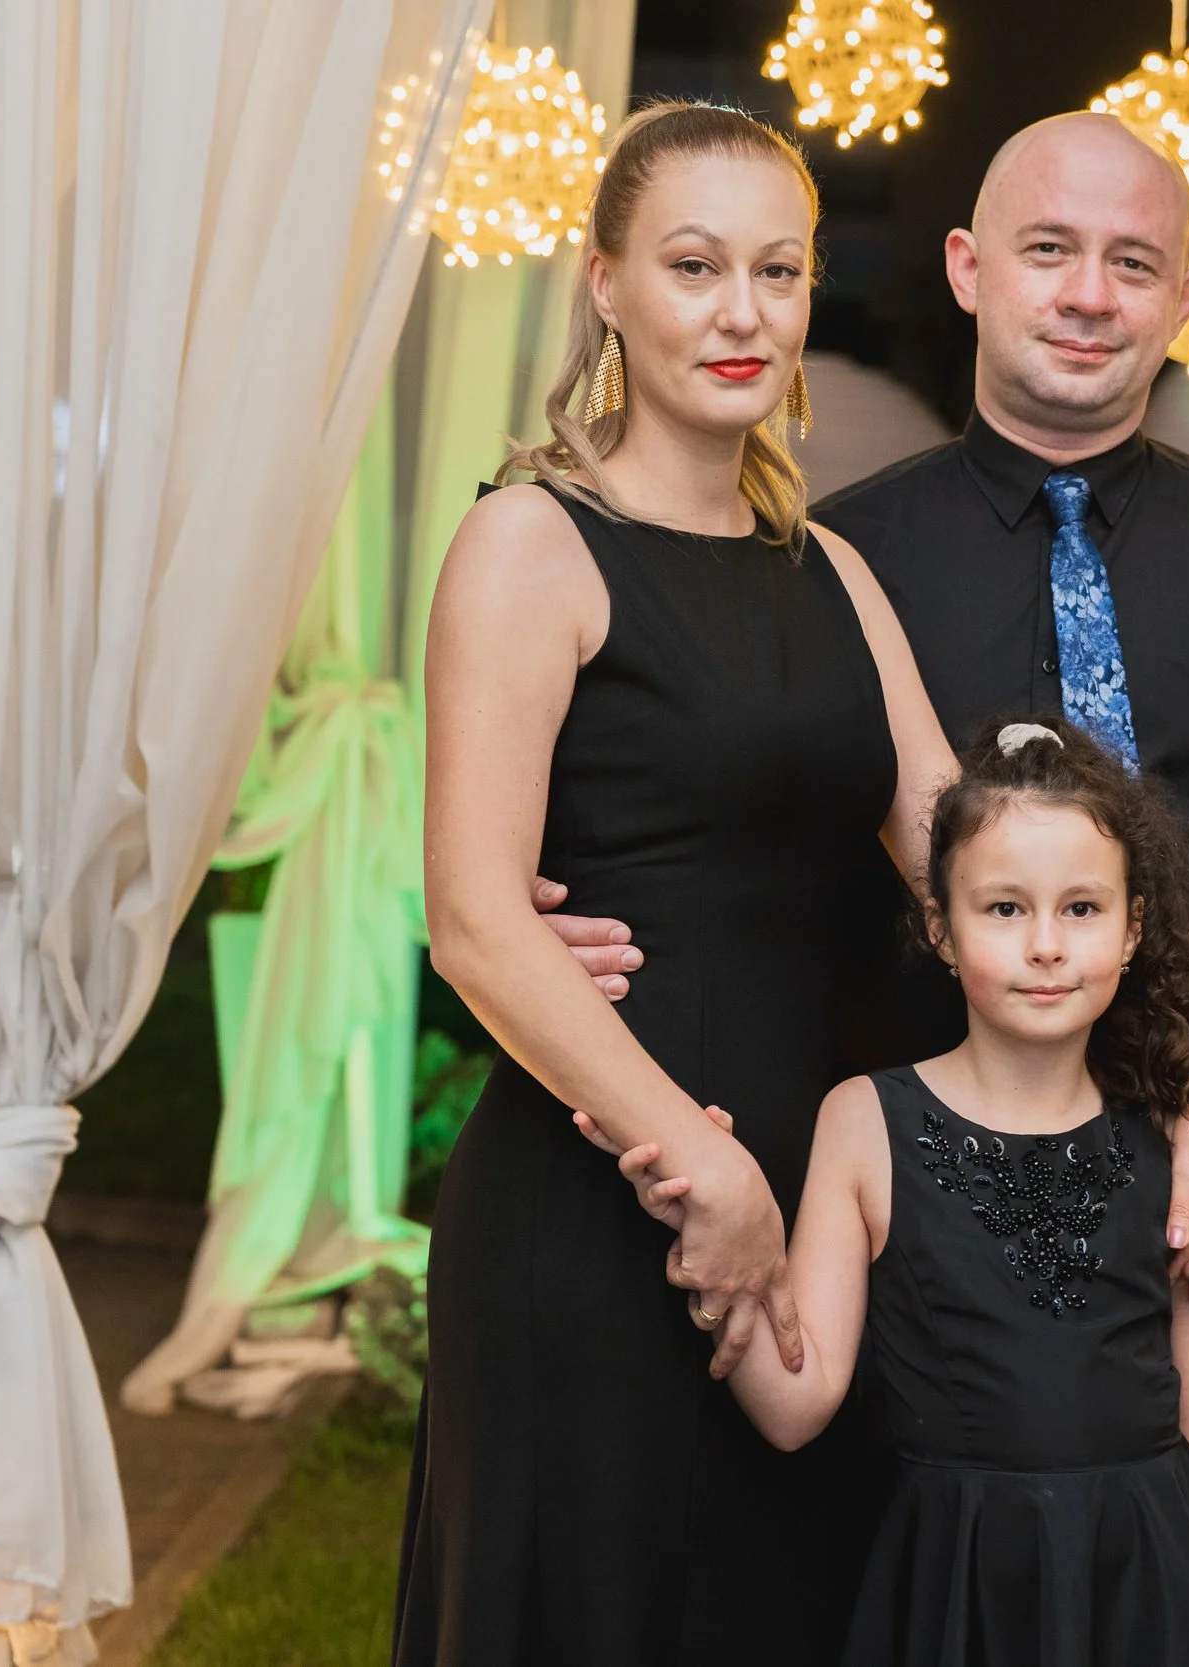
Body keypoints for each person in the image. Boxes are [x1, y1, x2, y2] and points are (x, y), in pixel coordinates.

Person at [549, 110, 1189, 1476]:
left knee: (1171, 1566)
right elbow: (734, 828)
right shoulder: (831, 563)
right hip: (899, 1194)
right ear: (965, 268)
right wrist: (581, 918)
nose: (1089, 294)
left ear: (1188, 300)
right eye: (1048, 249)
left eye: (1134, 264)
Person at [399, 102, 962, 1667]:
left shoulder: (834, 569)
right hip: (597, 1208)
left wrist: (1155, 1044)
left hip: (825, 1196)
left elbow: (957, 857)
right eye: (695, 265)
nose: (741, 312)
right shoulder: (530, 543)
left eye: (777, 272)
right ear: (606, 284)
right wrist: (700, 1171)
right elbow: (476, 919)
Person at [599, 718, 1189, 1667]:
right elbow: (795, 1404)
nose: (1045, 945)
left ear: (1134, 928)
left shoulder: (1179, 1133)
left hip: (1148, 1586)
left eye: (1081, 908)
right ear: (940, 927)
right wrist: (700, 1225)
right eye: (1004, 908)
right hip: (957, 1595)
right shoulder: (865, 1123)